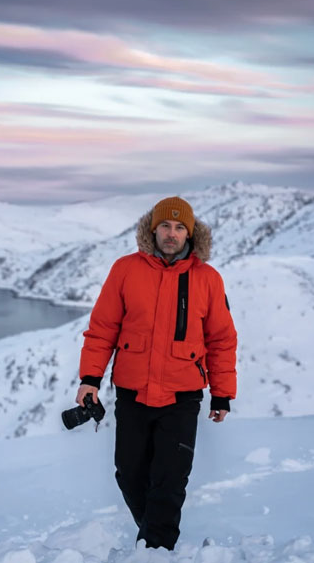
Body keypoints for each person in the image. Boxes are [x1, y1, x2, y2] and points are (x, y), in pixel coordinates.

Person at [75, 196, 237, 549]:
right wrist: (90, 379)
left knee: (169, 480)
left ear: (190, 235)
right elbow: (103, 329)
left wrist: (222, 393)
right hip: (133, 393)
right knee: (129, 475)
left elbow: (222, 340)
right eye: (165, 225)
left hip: (182, 397)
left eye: (180, 228)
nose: (171, 233)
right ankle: (153, 535)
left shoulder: (208, 279)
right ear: (153, 228)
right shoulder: (125, 269)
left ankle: (155, 550)